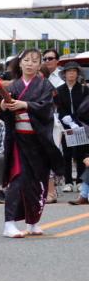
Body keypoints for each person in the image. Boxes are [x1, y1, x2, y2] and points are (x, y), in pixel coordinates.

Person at [0, 49, 63, 237]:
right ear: (20, 63)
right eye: (26, 60)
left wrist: (25, 105)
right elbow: (2, 111)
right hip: (19, 139)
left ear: (39, 65)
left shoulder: (45, 86)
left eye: (34, 61)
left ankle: (33, 222)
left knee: (37, 182)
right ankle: (9, 223)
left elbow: (47, 108)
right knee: (18, 178)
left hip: (38, 140)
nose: (29, 64)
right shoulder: (12, 86)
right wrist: (4, 106)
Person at [54, 61, 88, 193]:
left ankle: (80, 180)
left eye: (74, 71)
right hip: (65, 126)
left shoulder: (84, 89)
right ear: (64, 74)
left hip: (81, 125)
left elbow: (86, 107)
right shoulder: (59, 90)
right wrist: (66, 120)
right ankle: (68, 181)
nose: (71, 74)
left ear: (77, 73)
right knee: (66, 154)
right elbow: (59, 108)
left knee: (81, 153)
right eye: (69, 72)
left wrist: (77, 121)